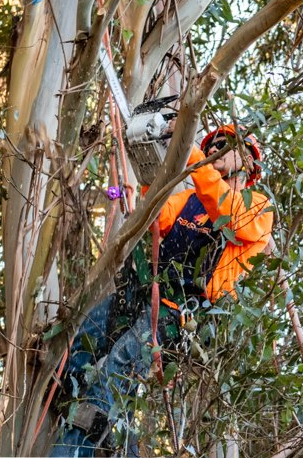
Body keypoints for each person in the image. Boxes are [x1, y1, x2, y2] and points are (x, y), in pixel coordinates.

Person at [49, 124, 274, 458]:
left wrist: (194, 156)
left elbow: (227, 213)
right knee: (73, 352)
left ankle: (91, 439)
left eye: (226, 146)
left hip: (179, 314)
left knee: (114, 374)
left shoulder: (257, 207)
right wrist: (145, 185)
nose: (217, 149)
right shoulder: (192, 198)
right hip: (142, 294)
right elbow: (158, 217)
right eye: (214, 144)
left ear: (248, 162)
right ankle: (110, 438)